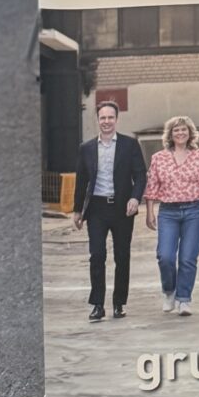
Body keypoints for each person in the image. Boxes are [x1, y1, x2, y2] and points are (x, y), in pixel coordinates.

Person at [71, 99, 145, 323]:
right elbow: (81, 180)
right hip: (96, 208)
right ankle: (97, 305)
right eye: (102, 117)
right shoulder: (86, 148)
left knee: (122, 256)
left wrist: (135, 198)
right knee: (97, 255)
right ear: (98, 119)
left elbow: (140, 175)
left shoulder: (129, 145)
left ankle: (119, 303)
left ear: (116, 119)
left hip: (123, 209)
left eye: (110, 117)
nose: (106, 121)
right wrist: (77, 210)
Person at [142, 113, 199, 316]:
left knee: (187, 257)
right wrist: (150, 212)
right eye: (176, 130)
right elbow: (152, 186)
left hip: (195, 210)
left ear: (190, 133)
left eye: (184, 129)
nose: (181, 133)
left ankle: (184, 299)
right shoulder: (159, 158)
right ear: (170, 134)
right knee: (165, 256)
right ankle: (169, 291)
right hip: (168, 212)